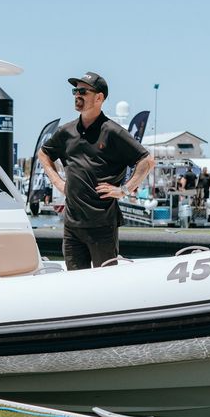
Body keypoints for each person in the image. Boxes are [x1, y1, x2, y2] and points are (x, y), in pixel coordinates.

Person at [39, 71, 155, 270]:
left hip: (102, 226)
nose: (77, 95)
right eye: (75, 90)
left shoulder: (112, 131)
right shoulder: (66, 132)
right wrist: (58, 182)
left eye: (83, 91)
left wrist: (124, 190)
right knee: (75, 283)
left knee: (105, 286)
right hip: (72, 226)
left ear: (99, 97)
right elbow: (44, 154)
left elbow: (147, 160)